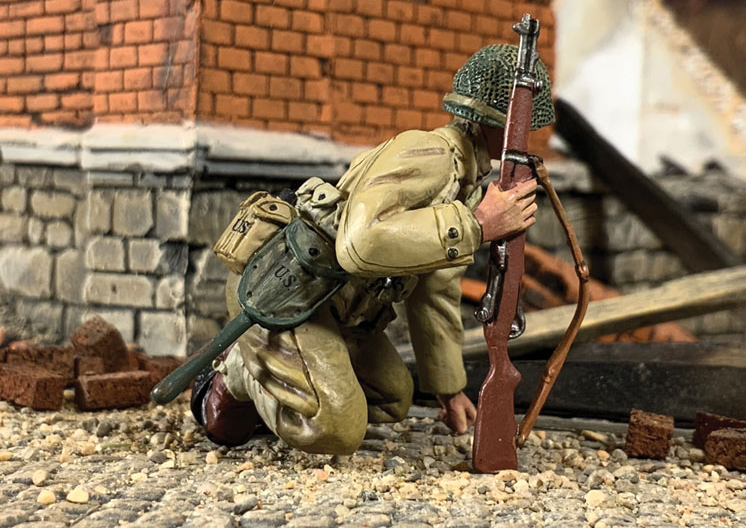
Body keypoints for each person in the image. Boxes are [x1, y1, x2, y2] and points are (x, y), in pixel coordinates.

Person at [191, 43, 555, 455]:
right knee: (339, 429)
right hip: (282, 297)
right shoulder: (433, 157)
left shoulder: (464, 182)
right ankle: (239, 370)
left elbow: (435, 291)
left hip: (332, 309)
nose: (524, 143)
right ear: (499, 126)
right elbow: (358, 243)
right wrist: (475, 226)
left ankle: (288, 381)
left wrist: (449, 389)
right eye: (521, 130)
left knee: (392, 398)